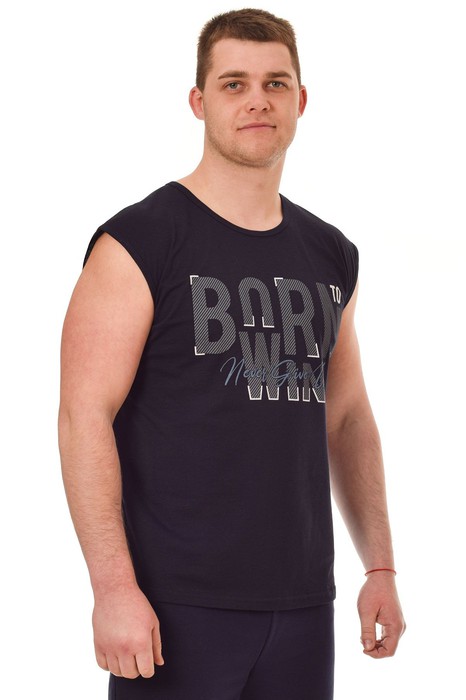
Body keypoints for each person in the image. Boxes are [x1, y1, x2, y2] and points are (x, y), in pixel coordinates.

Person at [58, 8, 405, 700]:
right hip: (173, 604)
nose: (257, 101)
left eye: (276, 83)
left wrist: (380, 568)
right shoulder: (140, 242)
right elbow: (83, 415)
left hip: (303, 603)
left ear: (300, 101)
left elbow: (346, 417)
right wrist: (113, 588)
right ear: (199, 101)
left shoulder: (330, 253)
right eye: (234, 83)